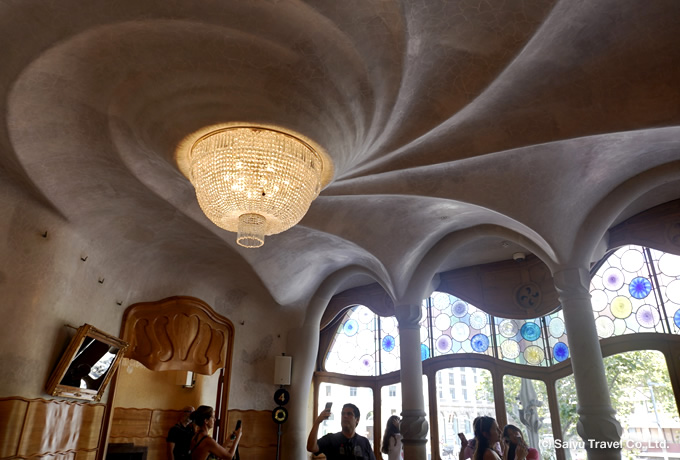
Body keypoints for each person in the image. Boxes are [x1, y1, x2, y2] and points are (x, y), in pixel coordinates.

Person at [307, 403, 377, 460]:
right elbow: (311, 448)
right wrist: (318, 422)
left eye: (349, 414)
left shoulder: (364, 442)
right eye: (343, 414)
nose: (345, 416)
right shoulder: (330, 439)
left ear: (357, 419)